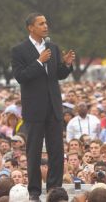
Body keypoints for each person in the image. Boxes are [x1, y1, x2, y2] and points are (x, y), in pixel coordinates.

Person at [11, 12, 75, 201]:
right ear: (31, 27)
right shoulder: (19, 50)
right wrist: (39, 61)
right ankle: (34, 192)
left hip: (54, 106)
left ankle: (54, 189)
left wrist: (67, 65)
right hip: (34, 109)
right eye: (41, 23)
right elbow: (20, 76)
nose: (46, 26)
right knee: (34, 151)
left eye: (46, 22)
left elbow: (59, 74)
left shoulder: (52, 47)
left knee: (56, 150)